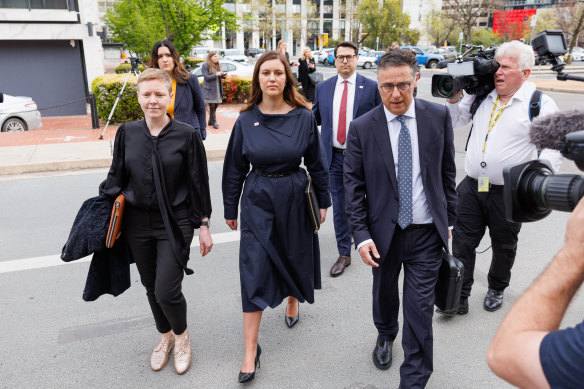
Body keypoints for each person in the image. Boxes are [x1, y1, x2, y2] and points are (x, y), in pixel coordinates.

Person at [344, 49, 457, 388]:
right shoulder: (363, 127)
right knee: (384, 294)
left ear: (416, 80)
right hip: (382, 235)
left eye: (402, 85)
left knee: (420, 311)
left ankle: (414, 378)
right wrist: (361, 236)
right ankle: (385, 333)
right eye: (386, 86)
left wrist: (448, 221)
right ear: (378, 85)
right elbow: (353, 186)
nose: (395, 94)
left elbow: (447, 173)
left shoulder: (437, 117)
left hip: (426, 234)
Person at [222, 50, 331, 383]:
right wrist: (230, 207)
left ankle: (292, 300)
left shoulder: (303, 116)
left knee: (293, 256)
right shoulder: (245, 120)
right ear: (258, 78)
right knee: (253, 270)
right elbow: (234, 169)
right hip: (257, 198)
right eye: (265, 73)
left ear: (287, 77)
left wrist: (323, 200)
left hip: (295, 196)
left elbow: (316, 162)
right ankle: (250, 351)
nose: (272, 78)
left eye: (278, 73)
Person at [100, 68, 213, 375]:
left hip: (174, 223)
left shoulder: (187, 136)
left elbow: (198, 184)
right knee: (150, 287)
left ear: (170, 96)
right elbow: (116, 176)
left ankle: (182, 336)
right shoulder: (127, 133)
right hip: (136, 224)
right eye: (146, 94)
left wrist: (203, 224)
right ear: (138, 97)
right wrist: (101, 209)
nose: (153, 101)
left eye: (159, 94)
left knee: (166, 290)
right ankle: (165, 336)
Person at [446, 40, 563, 314]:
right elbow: (455, 120)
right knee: (463, 242)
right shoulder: (482, 95)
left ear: (525, 73)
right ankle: (459, 296)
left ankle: (497, 288)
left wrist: (536, 183)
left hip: (509, 193)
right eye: (496, 66)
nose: (498, 72)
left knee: (504, 245)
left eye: (506, 67)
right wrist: (454, 95)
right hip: (472, 188)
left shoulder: (539, 103)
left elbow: (554, 145)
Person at [487, 196, 584, 389]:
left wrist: (575, 252)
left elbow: (505, 353)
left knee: (503, 247)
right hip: (476, 189)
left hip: (501, 198)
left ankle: (496, 288)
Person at [312, 40, 382, 277]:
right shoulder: (323, 88)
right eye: (340, 56)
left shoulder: (371, 88)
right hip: (334, 158)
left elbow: (382, 122)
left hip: (363, 158)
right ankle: (344, 252)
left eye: (349, 56)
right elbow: (315, 120)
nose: (345, 60)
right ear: (334, 59)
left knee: (370, 202)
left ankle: (373, 239)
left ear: (356, 58)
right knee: (341, 207)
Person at [150, 40, 207, 139]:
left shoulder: (190, 80)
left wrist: (202, 133)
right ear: (156, 60)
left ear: (174, 58)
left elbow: (201, 108)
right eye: (160, 56)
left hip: (189, 136)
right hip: (164, 138)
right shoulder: (153, 84)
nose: (165, 60)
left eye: (168, 55)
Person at [201, 51, 224, 129]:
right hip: (209, 89)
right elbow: (206, 77)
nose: (216, 58)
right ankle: (214, 122)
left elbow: (219, 76)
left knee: (216, 105)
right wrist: (216, 74)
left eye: (217, 56)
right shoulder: (205, 65)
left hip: (217, 88)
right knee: (212, 106)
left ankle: (211, 120)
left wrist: (223, 76)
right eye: (215, 56)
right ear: (210, 57)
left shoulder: (217, 65)